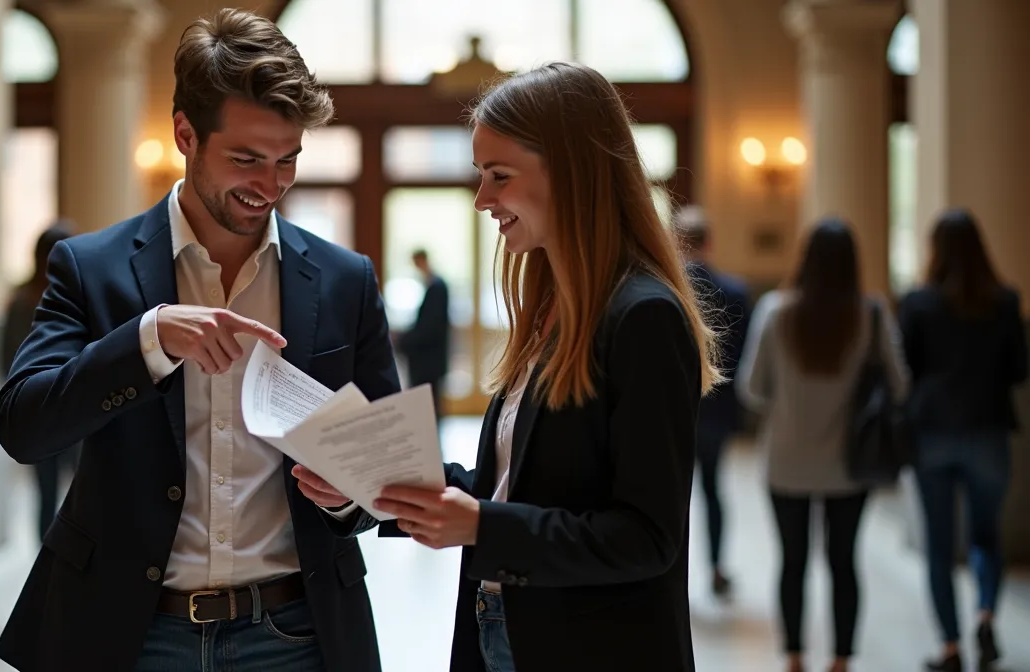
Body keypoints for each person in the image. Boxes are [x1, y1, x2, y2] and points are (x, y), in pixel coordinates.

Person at [0, 9, 399, 672]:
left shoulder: (343, 279)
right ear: (185, 133)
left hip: (296, 633)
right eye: (246, 160)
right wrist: (147, 340)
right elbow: (23, 428)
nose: (270, 186)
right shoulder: (89, 268)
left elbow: (384, 465)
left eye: (287, 161)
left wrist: (350, 494)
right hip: (129, 631)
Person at [342, 62, 718, 671]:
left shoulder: (643, 317)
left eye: (499, 176)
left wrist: (483, 528)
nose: (482, 200)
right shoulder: (551, 309)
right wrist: (378, 485)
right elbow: (518, 485)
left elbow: (647, 538)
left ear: (570, 173)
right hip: (502, 630)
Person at [736, 218, 908, 672]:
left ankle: (794, 656)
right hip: (851, 465)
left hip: (787, 463)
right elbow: (900, 385)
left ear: (805, 258)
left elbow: (751, 388)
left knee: (792, 563)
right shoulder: (871, 315)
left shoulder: (775, 311)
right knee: (843, 563)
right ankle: (841, 660)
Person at [898, 209, 1028, 672]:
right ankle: (987, 615)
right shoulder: (1006, 301)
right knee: (985, 536)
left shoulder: (918, 303)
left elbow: (905, 369)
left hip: (932, 434)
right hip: (988, 432)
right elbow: (1019, 370)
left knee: (938, 545)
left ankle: (951, 649)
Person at [676, 205, 750, 598]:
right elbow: (743, 356)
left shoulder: (666, 287)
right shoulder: (735, 291)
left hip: (674, 410)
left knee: (674, 492)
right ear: (709, 241)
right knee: (713, 488)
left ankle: (672, 567)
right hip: (718, 404)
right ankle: (718, 566)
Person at [0, 222, 79, 542]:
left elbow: (5, 361)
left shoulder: (23, 299)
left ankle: (48, 564)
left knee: (50, 494)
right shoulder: (26, 301)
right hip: (69, 408)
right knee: (74, 491)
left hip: (47, 411)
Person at [396, 248, 451, 420]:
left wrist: (405, 341)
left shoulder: (437, 287)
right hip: (427, 356)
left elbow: (430, 325)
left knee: (429, 403)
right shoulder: (433, 285)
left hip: (429, 357)